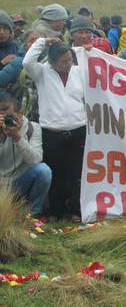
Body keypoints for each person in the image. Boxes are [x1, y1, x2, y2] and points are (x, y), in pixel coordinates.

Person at [23, 38, 86, 221]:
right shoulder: (41, 73)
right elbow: (27, 61)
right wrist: (42, 42)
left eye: (69, 59)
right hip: (52, 133)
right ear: (51, 62)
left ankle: (76, 210)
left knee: (77, 173)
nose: (68, 64)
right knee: (56, 173)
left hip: (78, 129)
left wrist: (86, 51)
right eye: (63, 61)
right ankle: (55, 212)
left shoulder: (78, 71)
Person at [0, 92, 51, 217]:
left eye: (10, 117)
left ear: (21, 113)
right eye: (2, 117)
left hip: (20, 182)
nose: (7, 121)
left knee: (43, 171)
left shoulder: (33, 128)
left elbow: (36, 160)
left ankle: (32, 216)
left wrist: (17, 137)